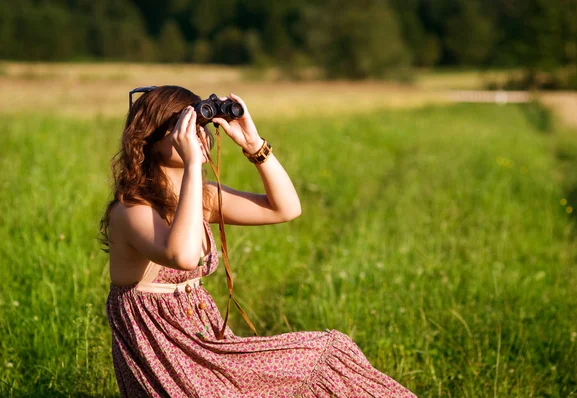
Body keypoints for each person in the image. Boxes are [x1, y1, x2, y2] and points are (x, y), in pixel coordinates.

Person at [100, 85, 416, 397]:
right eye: (185, 128)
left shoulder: (200, 199)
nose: (199, 137)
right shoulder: (130, 211)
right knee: (324, 353)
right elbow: (183, 257)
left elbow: (286, 208)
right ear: (152, 139)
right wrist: (195, 164)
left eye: (201, 127)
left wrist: (254, 144)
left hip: (203, 343)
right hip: (167, 353)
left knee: (332, 353)